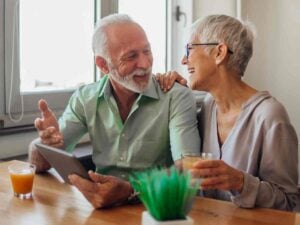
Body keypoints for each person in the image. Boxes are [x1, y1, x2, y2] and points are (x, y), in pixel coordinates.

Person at [28, 14, 201, 208]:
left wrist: (131, 190)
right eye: (131, 56)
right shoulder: (86, 98)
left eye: (147, 51)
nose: (145, 64)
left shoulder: (175, 96)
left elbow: (188, 171)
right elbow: (40, 164)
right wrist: (44, 142)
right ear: (103, 65)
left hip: (157, 207)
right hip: (101, 209)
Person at [156, 14, 299, 211]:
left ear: (219, 52)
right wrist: (171, 87)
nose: (183, 60)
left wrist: (241, 183)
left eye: (189, 49)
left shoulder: (270, 116)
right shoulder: (207, 105)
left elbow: (291, 204)